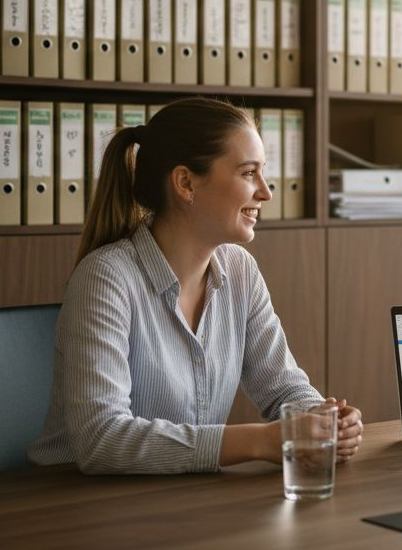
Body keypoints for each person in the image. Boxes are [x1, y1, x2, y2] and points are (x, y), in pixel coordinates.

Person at [30, 98, 362, 474]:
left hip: (183, 497)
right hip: (74, 503)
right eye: (248, 173)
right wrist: (265, 440)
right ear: (186, 183)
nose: (266, 192)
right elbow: (102, 438)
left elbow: (283, 388)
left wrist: (323, 419)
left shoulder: (240, 271)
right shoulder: (106, 277)